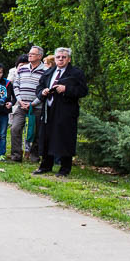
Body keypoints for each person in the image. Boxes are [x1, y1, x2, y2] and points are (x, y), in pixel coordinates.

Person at [32, 48, 88, 177]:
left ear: (69, 59)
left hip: (66, 112)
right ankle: (45, 166)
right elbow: (39, 87)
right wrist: (43, 92)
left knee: (64, 138)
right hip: (48, 110)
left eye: (64, 57)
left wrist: (66, 89)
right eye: (58, 57)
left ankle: (64, 169)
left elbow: (83, 91)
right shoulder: (49, 72)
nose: (60, 59)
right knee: (46, 138)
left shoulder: (76, 73)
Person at [10, 46, 47, 163]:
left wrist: (33, 103)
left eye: (33, 54)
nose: (29, 55)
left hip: (37, 106)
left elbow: (45, 90)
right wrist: (19, 100)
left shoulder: (46, 71)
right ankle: (16, 155)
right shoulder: (22, 69)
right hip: (21, 105)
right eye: (29, 53)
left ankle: (34, 155)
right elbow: (16, 85)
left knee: (36, 132)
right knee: (15, 128)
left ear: (39, 56)